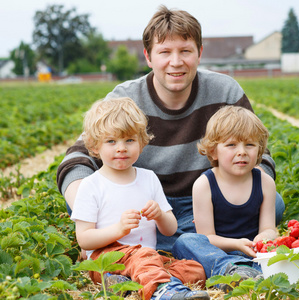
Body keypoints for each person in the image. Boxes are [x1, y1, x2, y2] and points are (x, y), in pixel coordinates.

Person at [56, 4, 284, 253]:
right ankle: (192, 244)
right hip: (145, 207)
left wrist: (239, 198)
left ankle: (174, 244)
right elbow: (77, 158)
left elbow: (260, 156)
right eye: (164, 52)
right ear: (148, 56)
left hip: (207, 202)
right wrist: (91, 206)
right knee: (83, 203)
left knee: (276, 204)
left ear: (199, 53)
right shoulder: (124, 98)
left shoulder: (225, 91)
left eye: (185, 51)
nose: (176, 62)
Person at [70, 97, 209, 300]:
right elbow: (84, 239)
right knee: (144, 258)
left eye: (129, 140)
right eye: (111, 141)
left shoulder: (148, 178)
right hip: (107, 258)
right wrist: (119, 230)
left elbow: (170, 229)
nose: (121, 148)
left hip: (147, 257)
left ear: (142, 143)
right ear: (94, 146)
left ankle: (128, 283)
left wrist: (160, 215)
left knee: (194, 269)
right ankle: (166, 292)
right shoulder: (91, 185)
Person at [173, 106, 278, 290]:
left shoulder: (265, 182)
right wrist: (236, 244)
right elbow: (207, 237)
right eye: (231, 145)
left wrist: (262, 239)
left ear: (259, 150)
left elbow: (269, 228)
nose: (242, 151)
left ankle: (245, 270)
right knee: (185, 242)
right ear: (213, 151)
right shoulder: (204, 184)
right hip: (217, 251)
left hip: (252, 252)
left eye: (250, 145)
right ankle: (231, 270)